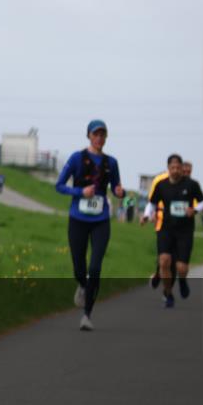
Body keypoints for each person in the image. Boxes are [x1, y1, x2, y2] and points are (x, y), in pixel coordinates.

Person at [55, 119, 125, 331]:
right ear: (89, 136)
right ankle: (82, 284)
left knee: (95, 268)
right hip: (78, 219)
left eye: (103, 134)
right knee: (79, 268)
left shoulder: (111, 162)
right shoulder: (77, 158)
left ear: (106, 137)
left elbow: (116, 187)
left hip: (100, 221)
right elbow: (59, 186)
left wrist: (120, 192)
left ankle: (87, 315)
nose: (99, 138)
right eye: (96, 134)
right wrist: (80, 192)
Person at [146, 154, 203, 308]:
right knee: (164, 261)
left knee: (181, 267)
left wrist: (195, 210)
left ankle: (183, 280)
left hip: (185, 230)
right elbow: (152, 203)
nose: (175, 170)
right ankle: (168, 293)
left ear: (182, 168)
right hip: (166, 228)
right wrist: (146, 215)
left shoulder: (191, 184)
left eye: (178, 168)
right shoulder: (162, 185)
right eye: (172, 168)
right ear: (168, 168)